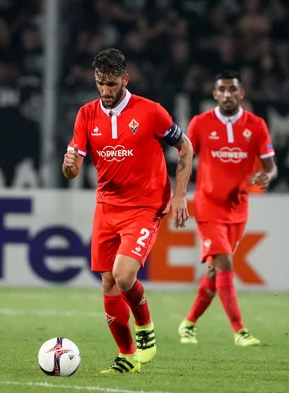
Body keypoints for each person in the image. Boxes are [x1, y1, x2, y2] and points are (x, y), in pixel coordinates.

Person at [62, 48, 194, 374]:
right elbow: (73, 168)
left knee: (123, 276)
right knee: (107, 283)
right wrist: (69, 167)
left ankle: (145, 326)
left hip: (145, 207)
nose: (105, 91)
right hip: (106, 206)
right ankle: (127, 356)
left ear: (125, 79)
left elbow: (185, 147)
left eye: (110, 84)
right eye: (99, 83)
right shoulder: (86, 115)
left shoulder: (151, 112)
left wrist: (179, 196)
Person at [178, 70, 278, 346]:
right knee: (225, 263)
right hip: (208, 206)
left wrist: (266, 177)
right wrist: (179, 196)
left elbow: (271, 167)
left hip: (238, 209)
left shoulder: (256, 125)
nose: (226, 95)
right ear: (214, 94)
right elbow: (185, 159)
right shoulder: (200, 123)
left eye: (232, 90)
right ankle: (240, 330)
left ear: (241, 94)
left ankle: (188, 323)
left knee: (214, 273)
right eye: (221, 90)